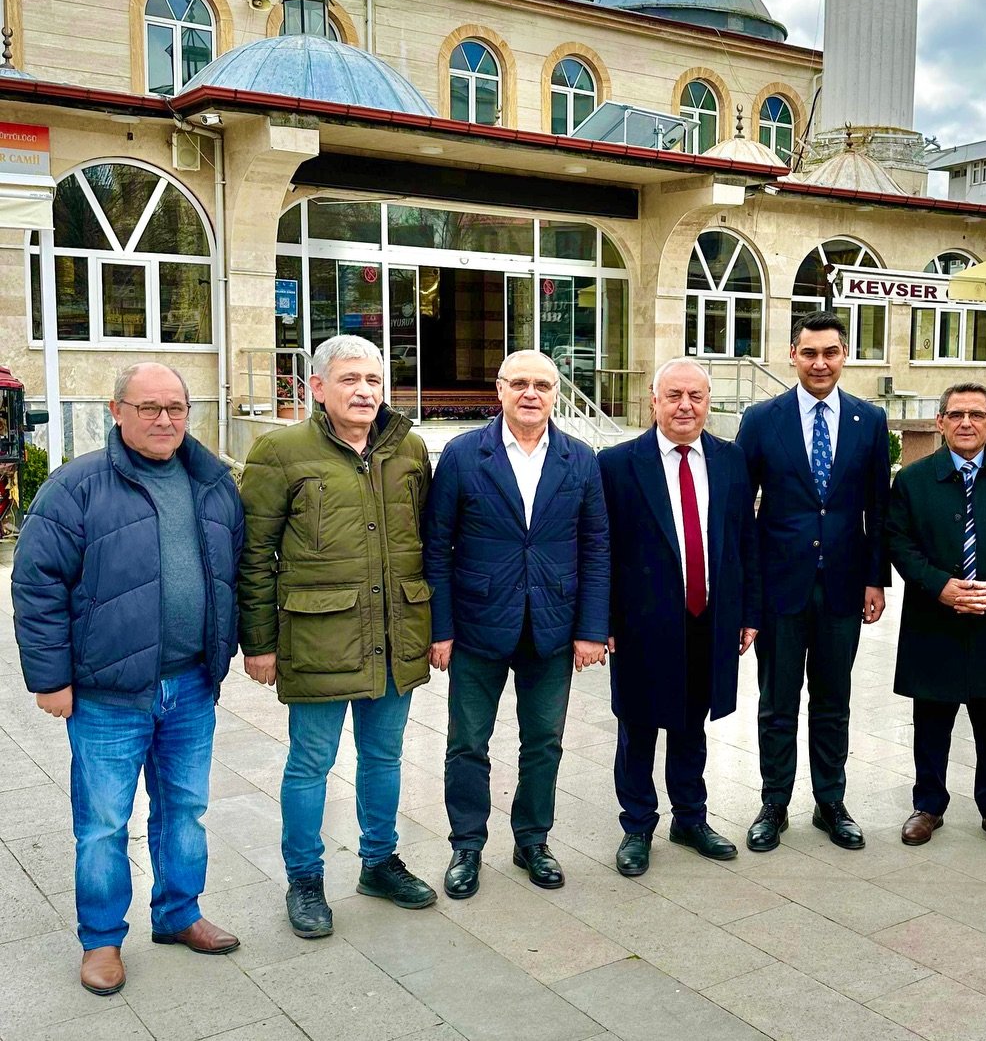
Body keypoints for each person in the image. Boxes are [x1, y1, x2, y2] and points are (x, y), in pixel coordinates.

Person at [13, 363, 244, 996]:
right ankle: (101, 940)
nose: (164, 419)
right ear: (117, 412)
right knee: (104, 823)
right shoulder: (76, 486)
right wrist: (50, 679)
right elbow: (36, 585)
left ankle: (178, 913)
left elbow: (234, 573)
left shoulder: (213, 484)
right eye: (148, 408)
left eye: (176, 407)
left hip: (190, 685)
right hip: (107, 694)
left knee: (185, 810)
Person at [239, 335, 437, 938]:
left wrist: (436, 629)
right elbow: (254, 555)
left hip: (394, 634)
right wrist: (259, 644)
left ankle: (379, 862)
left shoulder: (409, 448)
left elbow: (428, 542)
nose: (365, 391)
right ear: (318, 388)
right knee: (310, 763)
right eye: (350, 379)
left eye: (374, 380)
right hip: (318, 638)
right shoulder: (280, 452)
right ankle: (305, 880)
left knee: (384, 757)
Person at [423, 350, 609, 895]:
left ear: (556, 395)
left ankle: (533, 840)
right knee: (467, 743)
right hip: (478, 625)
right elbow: (436, 546)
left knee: (544, 741)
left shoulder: (581, 459)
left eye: (543, 385)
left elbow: (596, 548)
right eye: (520, 383)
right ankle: (466, 846)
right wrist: (440, 628)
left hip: (552, 625)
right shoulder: (463, 455)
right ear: (500, 390)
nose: (532, 394)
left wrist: (591, 629)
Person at [736, 311, 891, 852]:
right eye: (809, 353)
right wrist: (748, 592)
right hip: (780, 587)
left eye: (830, 352)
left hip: (844, 587)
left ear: (844, 355)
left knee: (832, 701)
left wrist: (876, 579)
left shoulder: (869, 420)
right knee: (777, 702)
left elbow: (878, 506)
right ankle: (773, 804)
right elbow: (740, 510)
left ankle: (831, 802)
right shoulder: (762, 419)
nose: (820, 363)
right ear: (792, 356)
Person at [598, 360, 760, 876]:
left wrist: (748, 611)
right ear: (654, 400)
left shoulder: (732, 459)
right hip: (640, 624)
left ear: (708, 401)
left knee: (693, 724)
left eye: (695, 396)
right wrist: (602, 620)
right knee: (639, 725)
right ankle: (637, 825)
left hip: (709, 618)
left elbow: (745, 540)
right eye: (673, 396)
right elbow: (601, 549)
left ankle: (690, 818)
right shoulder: (617, 464)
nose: (685, 406)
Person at [886, 383, 986, 851]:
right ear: (940, 422)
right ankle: (927, 806)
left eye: (977, 414)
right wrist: (938, 585)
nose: (966, 423)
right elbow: (898, 541)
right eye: (956, 414)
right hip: (933, 616)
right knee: (930, 721)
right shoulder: (913, 480)